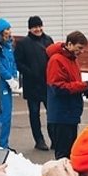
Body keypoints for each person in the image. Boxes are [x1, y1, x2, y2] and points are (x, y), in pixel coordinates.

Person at [46, 31, 88, 159]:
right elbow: (58, 88)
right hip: (61, 114)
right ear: (69, 44)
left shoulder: (72, 60)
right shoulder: (56, 60)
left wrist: (87, 87)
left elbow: (73, 84)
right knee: (63, 156)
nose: (81, 51)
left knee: (71, 152)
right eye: (79, 48)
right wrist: (84, 85)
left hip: (71, 112)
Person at [14, 15, 54, 151]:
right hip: (32, 84)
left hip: (47, 83)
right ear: (30, 28)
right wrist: (30, 72)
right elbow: (18, 62)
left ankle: (54, 138)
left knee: (52, 112)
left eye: (39, 26)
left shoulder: (48, 40)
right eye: (34, 27)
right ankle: (39, 140)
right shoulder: (23, 43)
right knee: (34, 113)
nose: (38, 29)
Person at [0, 18, 19, 150]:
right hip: (2, 83)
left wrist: (14, 77)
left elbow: (13, 63)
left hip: (8, 83)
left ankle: (5, 143)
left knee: (8, 114)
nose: (9, 32)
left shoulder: (8, 46)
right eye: (7, 29)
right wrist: (9, 78)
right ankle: (1, 144)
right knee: (4, 115)